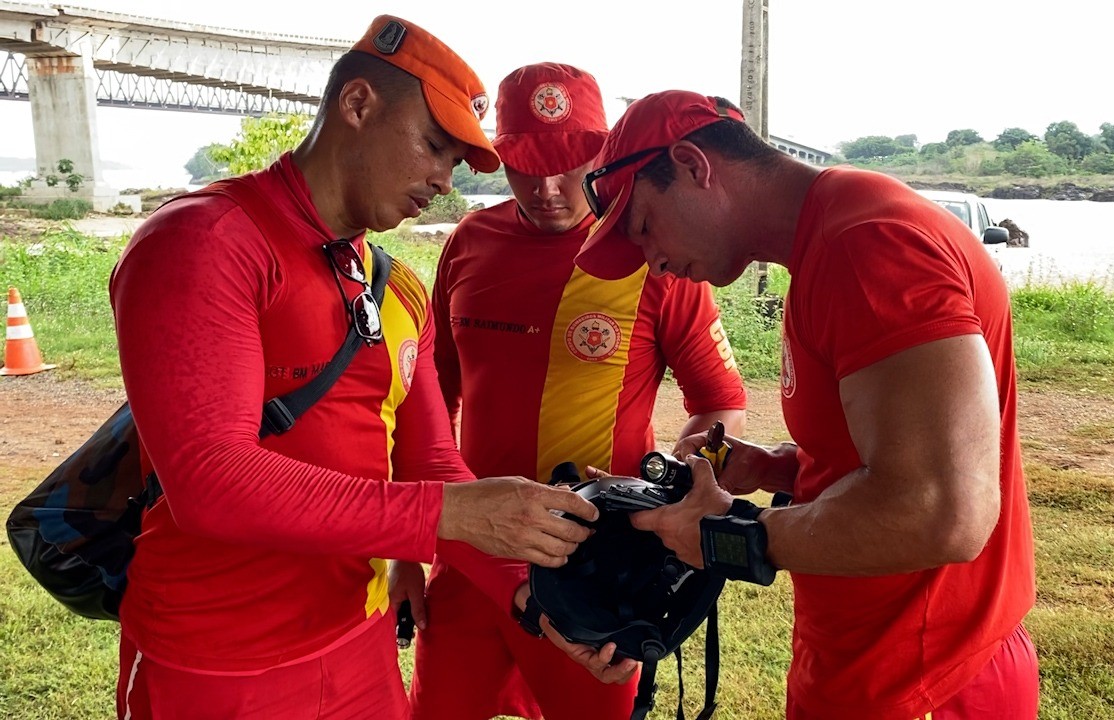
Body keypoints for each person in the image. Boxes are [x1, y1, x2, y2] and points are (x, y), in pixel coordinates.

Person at [108, 17, 604, 720]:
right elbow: (209, 480)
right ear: (359, 104)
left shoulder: (394, 285)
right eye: (434, 146)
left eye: (455, 161)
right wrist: (448, 512)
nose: (443, 179)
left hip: (360, 645)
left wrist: (535, 598)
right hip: (217, 661)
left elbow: (431, 459)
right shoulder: (207, 241)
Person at [562, 90, 1039, 719]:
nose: (656, 264)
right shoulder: (831, 240)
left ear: (694, 166)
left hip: (922, 673)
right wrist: (775, 468)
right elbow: (887, 456)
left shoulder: (868, 247)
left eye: (645, 226)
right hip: (867, 655)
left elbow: (940, 511)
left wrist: (723, 538)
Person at [397, 63, 748, 720]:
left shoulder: (655, 251)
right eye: (527, 164)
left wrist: (676, 490)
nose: (550, 187)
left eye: (570, 162)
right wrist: (407, 553)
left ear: (605, 152)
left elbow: (718, 400)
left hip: (595, 571)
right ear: (499, 154)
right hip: (470, 556)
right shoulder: (471, 242)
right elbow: (431, 407)